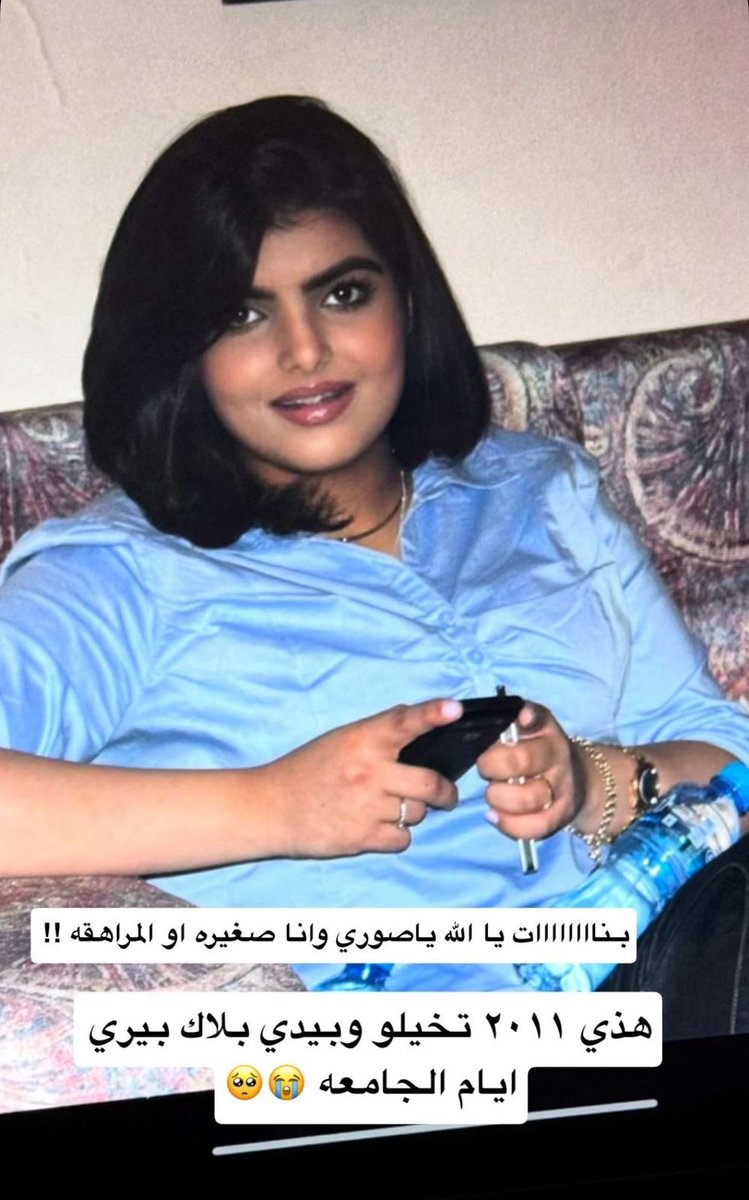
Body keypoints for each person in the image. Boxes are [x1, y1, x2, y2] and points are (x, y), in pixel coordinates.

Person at [0, 96, 747, 1030]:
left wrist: (592, 783)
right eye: (241, 314)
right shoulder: (118, 574)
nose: (304, 351)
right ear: (178, 351)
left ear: (406, 302)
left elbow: (720, 748)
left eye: (342, 294)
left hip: (665, 960)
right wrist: (273, 805)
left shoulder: (536, 490)